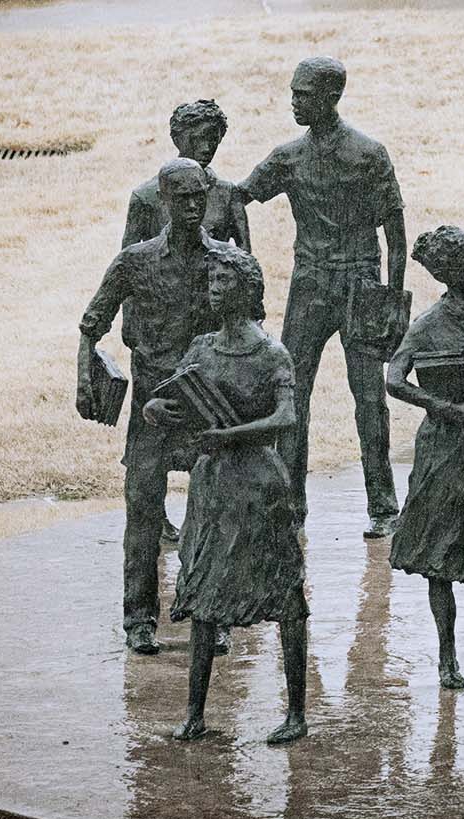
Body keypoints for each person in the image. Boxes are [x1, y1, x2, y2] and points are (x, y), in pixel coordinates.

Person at [143, 244, 310, 746]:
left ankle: (296, 713)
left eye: (224, 281)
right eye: (211, 280)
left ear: (248, 289)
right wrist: (154, 409)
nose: (214, 289)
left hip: (258, 485)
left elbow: (286, 418)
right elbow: (168, 395)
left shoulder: (271, 353)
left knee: (285, 595)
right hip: (213, 486)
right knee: (206, 593)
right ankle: (195, 712)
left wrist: (230, 436)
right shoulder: (202, 348)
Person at [238, 56, 405, 538]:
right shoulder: (288, 157)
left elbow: (396, 233)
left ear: (331, 98)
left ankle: (383, 505)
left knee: (368, 397)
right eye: (293, 93)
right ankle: (290, 503)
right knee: (291, 392)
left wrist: (392, 302)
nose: (294, 102)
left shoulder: (368, 154)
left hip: (360, 285)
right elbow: (238, 196)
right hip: (310, 283)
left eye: (303, 95)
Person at [77, 158, 222, 656]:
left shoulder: (224, 262)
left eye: (199, 196)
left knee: (212, 511)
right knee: (141, 513)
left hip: (207, 406)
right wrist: (85, 380)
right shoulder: (134, 262)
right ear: (162, 201)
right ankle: (139, 619)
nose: (193, 206)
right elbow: (92, 323)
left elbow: (249, 329)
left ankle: (209, 611)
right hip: (150, 407)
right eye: (182, 198)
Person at [386, 226, 464, 691]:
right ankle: (447, 654)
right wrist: (442, 406)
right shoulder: (427, 324)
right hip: (444, 449)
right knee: (438, 555)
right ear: (446, 272)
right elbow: (394, 379)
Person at [122, 99, 250, 252]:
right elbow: (128, 260)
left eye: (213, 139)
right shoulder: (144, 197)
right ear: (177, 140)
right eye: (197, 139)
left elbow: (246, 257)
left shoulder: (228, 194)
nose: (206, 148)